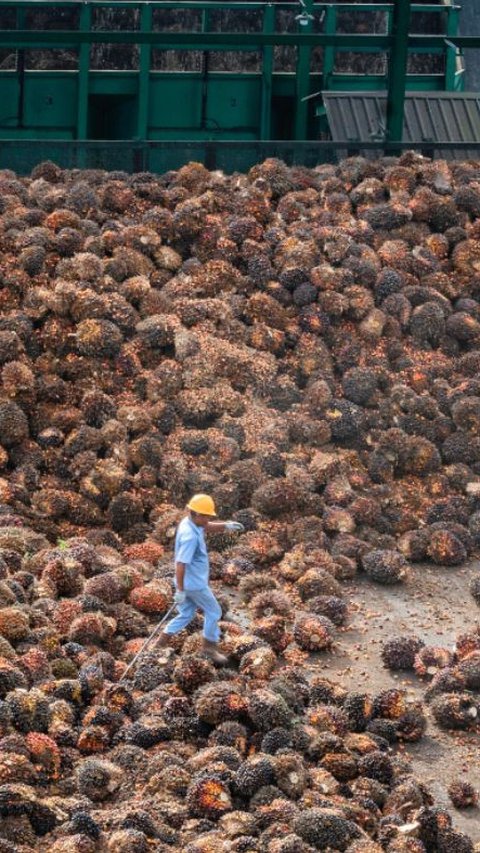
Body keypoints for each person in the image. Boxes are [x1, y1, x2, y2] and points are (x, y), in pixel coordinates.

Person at [158, 494, 244, 664]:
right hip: (194, 585)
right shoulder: (189, 537)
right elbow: (181, 564)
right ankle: (209, 648)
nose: (207, 519)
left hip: (187, 583)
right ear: (193, 512)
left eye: (208, 516)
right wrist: (181, 591)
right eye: (204, 516)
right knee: (214, 611)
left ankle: (161, 642)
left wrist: (225, 526)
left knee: (186, 614)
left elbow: (205, 527)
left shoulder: (188, 521)